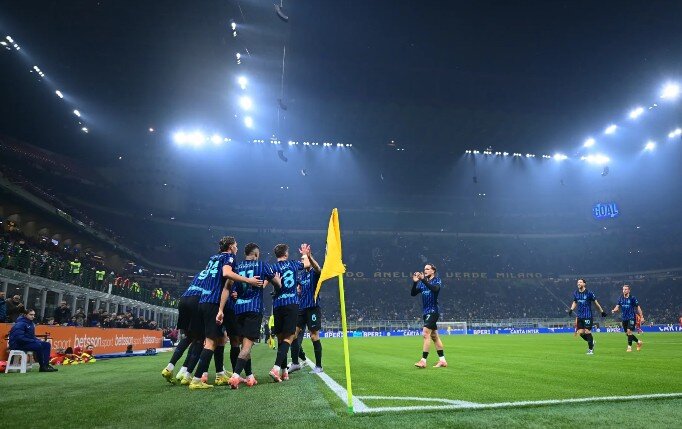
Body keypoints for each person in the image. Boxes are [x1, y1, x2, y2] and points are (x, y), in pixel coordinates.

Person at [187, 236, 264, 390]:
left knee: (219, 339)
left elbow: (222, 282)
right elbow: (227, 274)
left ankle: (218, 374)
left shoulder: (213, 259)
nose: (237, 248)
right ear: (230, 247)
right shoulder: (229, 257)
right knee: (212, 343)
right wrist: (248, 280)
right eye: (235, 245)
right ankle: (197, 379)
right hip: (214, 302)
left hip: (204, 301)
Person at [217, 242, 281, 389]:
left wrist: (222, 307)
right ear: (256, 254)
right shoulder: (262, 265)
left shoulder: (237, 266)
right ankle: (235, 376)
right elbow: (277, 284)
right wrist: (277, 281)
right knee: (247, 346)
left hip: (238, 309)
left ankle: (250, 376)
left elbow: (228, 288)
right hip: (254, 308)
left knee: (243, 345)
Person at [269, 243, 310, 382]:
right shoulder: (293, 264)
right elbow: (307, 264)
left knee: (280, 338)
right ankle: (276, 368)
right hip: (291, 303)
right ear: (286, 254)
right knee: (290, 336)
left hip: (277, 304)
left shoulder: (272, 268)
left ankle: (284, 371)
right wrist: (304, 253)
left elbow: (264, 283)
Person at [161, 273, 205, 384]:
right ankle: (187, 375)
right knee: (199, 339)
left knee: (188, 337)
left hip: (184, 299)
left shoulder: (200, 273)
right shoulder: (215, 272)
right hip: (196, 300)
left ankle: (170, 367)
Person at [289, 244, 323, 373]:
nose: (302, 261)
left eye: (304, 259)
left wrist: (309, 256)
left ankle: (319, 366)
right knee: (293, 334)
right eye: (302, 259)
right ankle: (295, 363)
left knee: (314, 336)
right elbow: (298, 289)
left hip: (313, 308)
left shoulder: (314, 273)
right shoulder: (301, 276)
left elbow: (318, 268)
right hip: (301, 309)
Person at [411, 263, 447, 368]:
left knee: (425, 334)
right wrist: (415, 283)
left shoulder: (437, 280)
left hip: (433, 311)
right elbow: (413, 293)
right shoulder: (422, 283)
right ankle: (442, 361)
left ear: (433, 271)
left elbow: (435, 289)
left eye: (427, 269)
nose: (425, 270)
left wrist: (423, 280)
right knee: (434, 337)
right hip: (426, 312)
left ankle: (423, 361)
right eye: (424, 269)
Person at [568, 278, 607, 355]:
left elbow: (596, 303)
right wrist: (571, 309)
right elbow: (575, 302)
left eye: (580, 282)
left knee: (587, 331)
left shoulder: (589, 293)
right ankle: (592, 342)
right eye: (578, 282)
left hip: (587, 316)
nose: (578, 283)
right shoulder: (576, 293)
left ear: (584, 284)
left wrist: (602, 311)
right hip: (579, 316)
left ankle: (590, 350)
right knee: (580, 332)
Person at [611, 284, 644, 352]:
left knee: (629, 331)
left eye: (625, 289)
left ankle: (629, 347)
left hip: (631, 317)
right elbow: (617, 306)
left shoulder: (632, 298)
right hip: (624, 318)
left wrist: (642, 317)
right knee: (627, 334)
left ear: (629, 290)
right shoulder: (621, 298)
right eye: (623, 289)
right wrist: (614, 310)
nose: (624, 290)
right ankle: (638, 342)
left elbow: (638, 307)